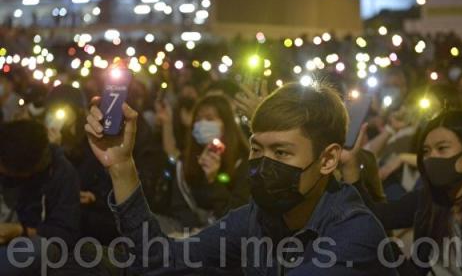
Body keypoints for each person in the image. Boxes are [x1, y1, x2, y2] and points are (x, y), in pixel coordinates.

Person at [85, 82, 396, 275]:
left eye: (282, 153)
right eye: (257, 149)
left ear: (327, 159)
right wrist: (122, 167)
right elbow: (159, 259)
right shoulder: (255, 220)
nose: (264, 165)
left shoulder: (356, 232)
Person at [344, 110, 462, 275]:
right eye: (426, 151)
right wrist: (350, 168)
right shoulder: (426, 200)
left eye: (442, 148)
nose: (432, 157)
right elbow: (374, 215)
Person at [157, 94, 250, 229]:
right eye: (198, 119)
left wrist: (214, 181)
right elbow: (179, 207)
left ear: (227, 124)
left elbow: (237, 219)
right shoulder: (186, 162)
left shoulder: (243, 162)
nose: (201, 124)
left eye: (209, 118)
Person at [0, 120, 80, 275]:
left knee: (38, 251)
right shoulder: (6, 150)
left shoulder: (62, 174)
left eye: (5, 170)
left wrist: (20, 231)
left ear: (27, 172)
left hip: (28, 242)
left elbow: (66, 235)